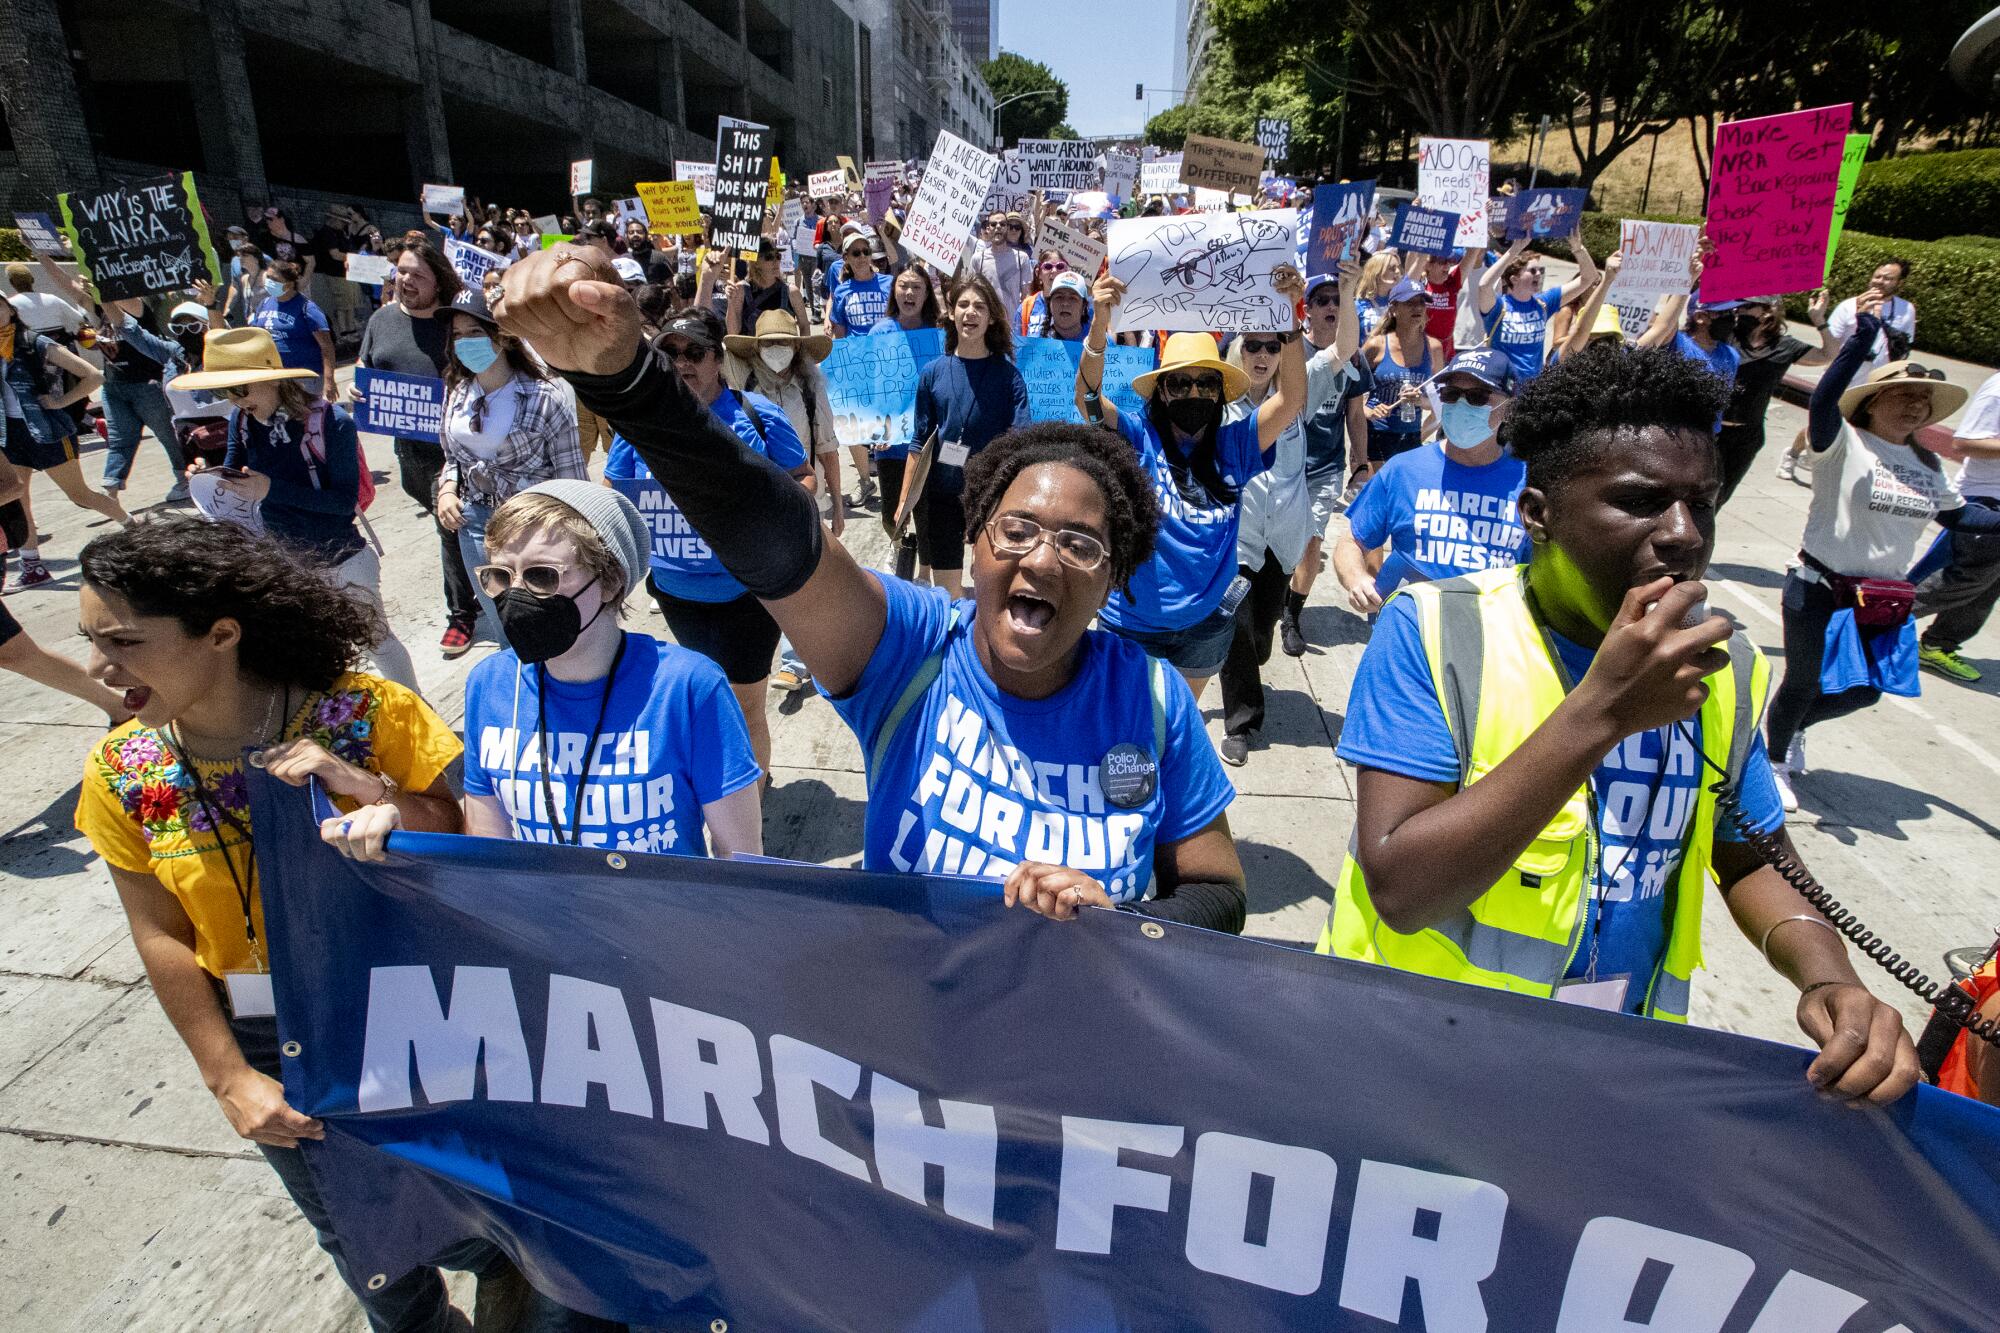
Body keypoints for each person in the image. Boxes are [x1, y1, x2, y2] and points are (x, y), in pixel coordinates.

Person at [492, 245, 1247, 929]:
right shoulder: (913, 651)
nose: (1043, 561)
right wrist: (629, 382)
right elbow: (780, 542)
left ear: (1114, 575)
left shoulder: (1151, 699)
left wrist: (1121, 914)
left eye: (1081, 544)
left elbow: (1220, 891)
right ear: (976, 548)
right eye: (1016, 531)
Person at [1318, 344, 1917, 1102]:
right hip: (1422, 1064)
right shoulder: (1437, 633)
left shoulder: (1718, 667)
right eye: (1641, 501)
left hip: (1607, 1073)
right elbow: (1403, 889)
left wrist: (1828, 977)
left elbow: (1754, 854)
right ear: (1537, 514)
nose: (1684, 533)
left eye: (1701, 503)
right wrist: (1602, 712)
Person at [72, 516, 522, 1330]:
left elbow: (463, 833)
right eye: (90, 639)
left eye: (124, 641)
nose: (99, 667)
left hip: (401, 1003)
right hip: (262, 1034)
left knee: (454, 1188)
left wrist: (365, 787)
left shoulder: (364, 711)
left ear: (221, 633)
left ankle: (499, 1262)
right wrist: (228, 1076)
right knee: (357, 1234)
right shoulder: (122, 772)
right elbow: (160, 934)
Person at [325, 480, 763, 864]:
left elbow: (739, 859)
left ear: (609, 580)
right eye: (500, 575)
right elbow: (489, 853)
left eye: (541, 576)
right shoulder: (492, 685)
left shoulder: (688, 687)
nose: (516, 596)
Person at [1765, 299, 2000, 811]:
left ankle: (1792, 724)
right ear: (1873, 402)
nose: (1915, 405)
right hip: (1817, 586)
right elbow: (1825, 401)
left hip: (1879, 601)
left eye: (1923, 399)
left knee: (1863, 691)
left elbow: (1962, 517)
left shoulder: (1927, 463)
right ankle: (1774, 760)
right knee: (1804, 680)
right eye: (1903, 395)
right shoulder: (1843, 442)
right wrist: (1854, 347)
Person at [1077, 268, 1309, 701]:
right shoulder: (1134, 438)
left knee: (1179, 727)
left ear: (1220, 393)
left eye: (1206, 383)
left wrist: (1290, 322)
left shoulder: (1236, 445)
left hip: (1204, 624)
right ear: (1162, 392)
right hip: (1132, 623)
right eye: (1180, 383)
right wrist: (1098, 325)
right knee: (1128, 728)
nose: (1194, 392)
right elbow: (1088, 400)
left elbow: (1291, 398)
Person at [600, 308, 810, 778]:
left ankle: (749, 812)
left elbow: (803, 478)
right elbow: (618, 492)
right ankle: (726, 779)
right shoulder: (638, 423)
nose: (682, 363)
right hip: (678, 596)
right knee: (704, 695)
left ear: (718, 359)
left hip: (747, 595)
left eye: (695, 352)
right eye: (669, 354)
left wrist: (774, 516)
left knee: (746, 707)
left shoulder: (758, 416)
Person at [176, 327, 419, 694]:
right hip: (285, 566)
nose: (234, 400)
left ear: (273, 382)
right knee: (312, 654)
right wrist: (207, 478)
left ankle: (418, 714)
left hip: (342, 560)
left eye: (240, 389)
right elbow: (233, 474)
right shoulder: (241, 421)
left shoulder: (332, 422)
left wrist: (271, 489)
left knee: (375, 642)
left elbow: (341, 504)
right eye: (224, 392)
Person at [1217, 270, 1362, 766]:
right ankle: (1242, 723)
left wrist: (1349, 290)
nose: (1262, 355)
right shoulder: (1218, 403)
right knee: (1234, 628)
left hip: (1283, 539)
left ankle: (1255, 658)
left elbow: (1342, 349)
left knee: (1259, 641)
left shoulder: (1299, 393)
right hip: (1236, 542)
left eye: (1272, 346)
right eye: (1252, 345)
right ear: (1238, 348)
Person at [352, 238, 484, 658]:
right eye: (401, 271)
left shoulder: (456, 323)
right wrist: (360, 392)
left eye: (417, 275)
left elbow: (487, 368)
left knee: (450, 529)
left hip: (460, 448)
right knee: (453, 527)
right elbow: (365, 367)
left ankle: (461, 615)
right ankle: (479, 581)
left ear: (438, 282)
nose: (405, 280)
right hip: (411, 452)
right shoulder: (381, 320)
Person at [434, 287, 584, 637]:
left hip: (533, 527)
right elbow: (453, 457)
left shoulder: (546, 396)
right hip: (474, 524)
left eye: (474, 333)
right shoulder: (456, 391)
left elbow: (573, 479)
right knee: (504, 628)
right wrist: (447, 490)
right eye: (457, 335)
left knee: (544, 625)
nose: (464, 342)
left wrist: (574, 543)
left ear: (501, 336)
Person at [1335, 346, 1529, 615]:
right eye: (1451, 394)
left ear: (1508, 407)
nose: (1461, 405)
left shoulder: (1530, 484)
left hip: (1489, 643)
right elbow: (1352, 542)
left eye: (1477, 397)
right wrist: (1356, 579)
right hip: (1407, 635)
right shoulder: (1403, 470)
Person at [724, 308, 847, 695]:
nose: (777, 350)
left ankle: (797, 662)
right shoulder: (740, 386)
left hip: (803, 497)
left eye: (784, 343)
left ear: (796, 348)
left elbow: (827, 448)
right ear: (756, 349)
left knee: (803, 583)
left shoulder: (811, 388)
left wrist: (838, 504)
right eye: (769, 344)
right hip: (750, 505)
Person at [910, 275, 1030, 598]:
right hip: (942, 498)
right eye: (963, 305)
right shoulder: (932, 372)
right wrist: (904, 503)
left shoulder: (1009, 378)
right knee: (947, 594)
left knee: (992, 590)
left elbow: (1019, 447)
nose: (970, 312)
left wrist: (1002, 501)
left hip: (992, 501)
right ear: (951, 313)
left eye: (979, 306)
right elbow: (919, 443)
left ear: (991, 318)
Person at [1, 296, 128, 588]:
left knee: (79, 495)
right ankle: (32, 566)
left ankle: (131, 526)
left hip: (48, 431)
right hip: (11, 435)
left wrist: (61, 402)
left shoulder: (35, 342)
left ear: (11, 309)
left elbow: (93, 375)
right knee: (19, 500)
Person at [1283, 270, 1373, 654]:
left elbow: (1355, 414)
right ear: (1307, 310)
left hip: (1324, 467)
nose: (1332, 306)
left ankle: (1291, 614)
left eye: (1337, 299)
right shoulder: (1288, 350)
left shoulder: (1353, 356)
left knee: (1311, 541)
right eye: (1322, 300)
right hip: (1282, 466)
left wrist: (1360, 461)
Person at [1913, 370, 2000, 683]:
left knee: (1987, 587)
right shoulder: (1998, 389)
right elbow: (1964, 443)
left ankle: (1938, 645)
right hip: (1987, 501)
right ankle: (1873, 620)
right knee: (1960, 580)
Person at [1714, 292, 1835, 506]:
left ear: (1767, 311)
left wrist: (1819, 320)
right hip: (1712, 429)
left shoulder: (1785, 346)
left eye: (1748, 306)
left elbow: (1828, 354)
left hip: (1746, 436)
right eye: (1739, 306)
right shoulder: (1729, 335)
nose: (1740, 310)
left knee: (1719, 497)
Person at [94, 296, 193, 503]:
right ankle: (110, 491)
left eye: (193, 326)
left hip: (218, 437)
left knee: (169, 435)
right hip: (119, 386)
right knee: (122, 438)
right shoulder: (173, 352)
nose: (186, 332)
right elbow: (131, 330)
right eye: (179, 327)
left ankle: (186, 477)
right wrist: (100, 291)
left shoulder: (216, 352)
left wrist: (211, 305)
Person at [1476, 233, 1599, 386]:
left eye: (1540, 270)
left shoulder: (1544, 303)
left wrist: (1578, 247)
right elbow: (1484, 286)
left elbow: (1589, 278)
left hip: (1532, 390)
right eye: (1532, 271)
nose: (1539, 274)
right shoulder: (1498, 307)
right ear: (1514, 279)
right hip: (1500, 388)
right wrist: (1514, 250)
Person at [1360, 276, 1443, 468]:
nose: (1418, 308)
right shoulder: (1376, 346)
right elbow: (1352, 392)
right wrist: (1369, 410)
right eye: (1410, 303)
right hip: (1376, 434)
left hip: (1411, 437)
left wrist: (1419, 401)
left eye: (1422, 302)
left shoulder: (1433, 348)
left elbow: (1439, 404)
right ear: (1394, 309)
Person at [248, 260, 336, 394]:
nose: (269, 281)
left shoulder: (307, 308)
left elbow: (326, 346)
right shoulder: (264, 304)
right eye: (268, 277)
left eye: (274, 279)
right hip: (276, 377)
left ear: (288, 285)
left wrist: (329, 380)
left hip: (305, 379)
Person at [1826, 259, 1916, 374]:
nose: (1880, 281)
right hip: (1843, 374)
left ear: (1900, 283)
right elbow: (1830, 343)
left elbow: (1905, 347)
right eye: (1877, 277)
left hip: (1877, 379)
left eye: (1888, 279)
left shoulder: (1907, 309)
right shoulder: (1848, 306)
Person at [827, 229, 897, 338]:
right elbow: (840, 331)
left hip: (886, 350)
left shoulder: (890, 282)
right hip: (857, 352)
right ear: (846, 258)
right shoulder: (841, 291)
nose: (862, 256)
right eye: (856, 253)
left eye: (866, 252)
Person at [1022, 270, 1092, 342]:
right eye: (1059, 297)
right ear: (1050, 304)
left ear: (1083, 306)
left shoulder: (1096, 342)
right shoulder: (1034, 342)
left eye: (1073, 298)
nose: (1065, 303)